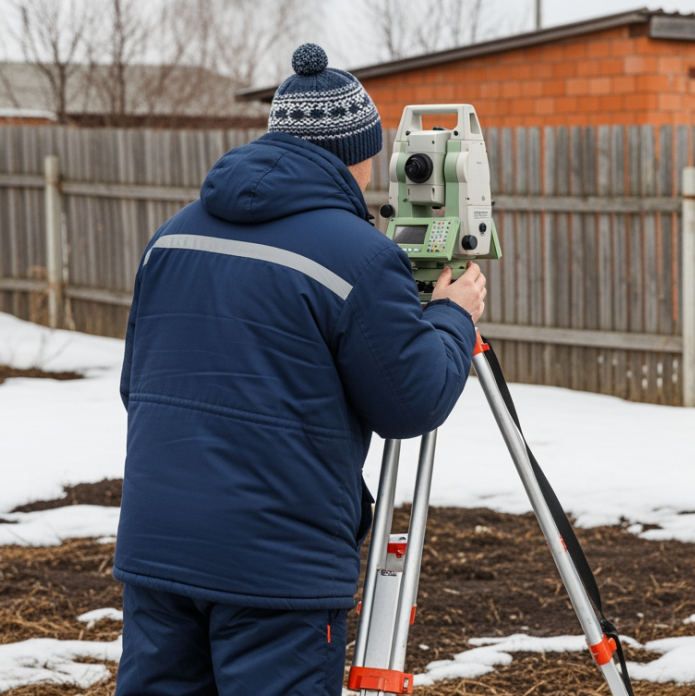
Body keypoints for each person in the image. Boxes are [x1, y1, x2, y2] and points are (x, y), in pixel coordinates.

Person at [113, 43, 486, 696]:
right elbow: (412, 402)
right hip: (276, 572)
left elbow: (137, 389)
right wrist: (454, 316)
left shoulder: (170, 237)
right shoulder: (361, 259)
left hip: (156, 550)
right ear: (360, 155)